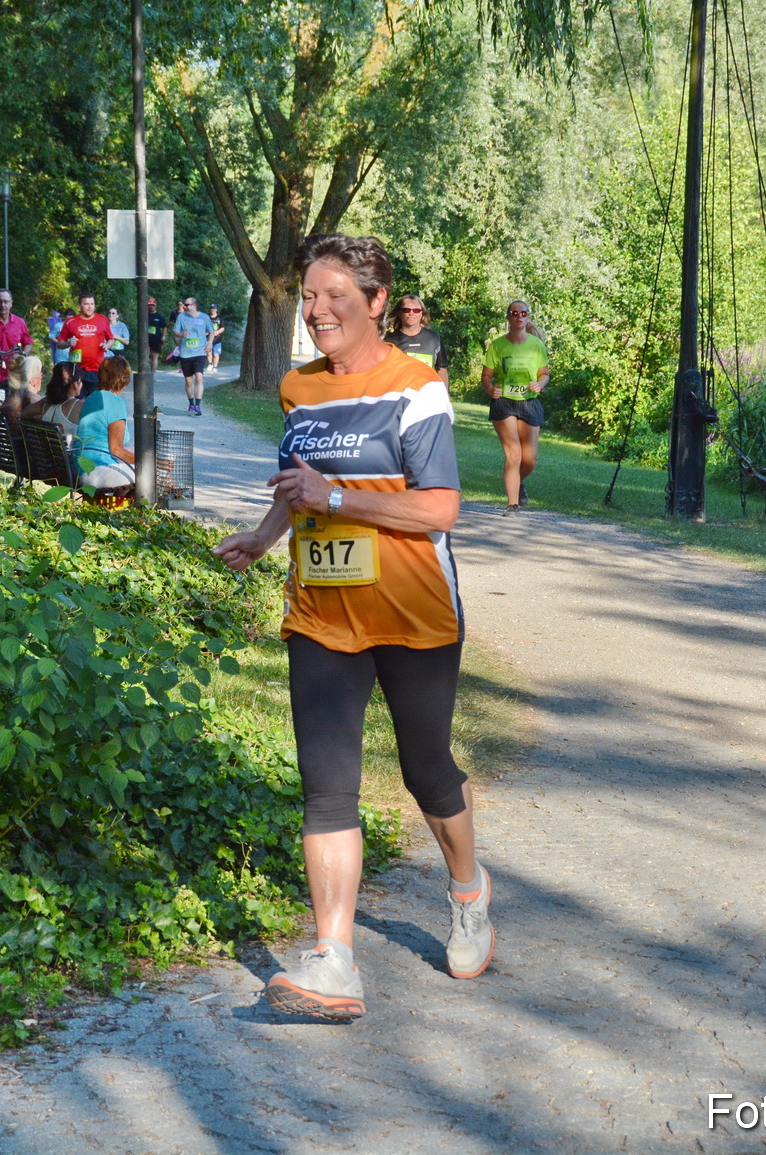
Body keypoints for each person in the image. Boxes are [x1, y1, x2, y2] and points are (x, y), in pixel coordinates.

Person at [212, 234, 490, 1022]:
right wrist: (265, 534)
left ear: (376, 302)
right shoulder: (298, 389)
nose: (316, 309)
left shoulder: (416, 388)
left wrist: (336, 499)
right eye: (308, 295)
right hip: (322, 613)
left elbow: (439, 508)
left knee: (426, 769)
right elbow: (298, 485)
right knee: (327, 787)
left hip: (413, 614)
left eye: (334, 295)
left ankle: (468, 891)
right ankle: (334, 959)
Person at [480, 300, 549, 515]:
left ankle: (517, 483)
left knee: (530, 460)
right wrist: (490, 389)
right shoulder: (497, 346)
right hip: (504, 402)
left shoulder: (536, 345)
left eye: (523, 313)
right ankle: (512, 504)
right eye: (514, 313)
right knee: (513, 454)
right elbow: (486, 376)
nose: (519, 316)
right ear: (508, 317)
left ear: (528, 317)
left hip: (529, 402)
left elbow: (544, 374)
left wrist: (540, 384)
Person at [74, 356, 136, 491]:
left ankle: (121, 503)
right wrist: (149, 463)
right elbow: (116, 451)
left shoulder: (91, 398)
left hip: (82, 468)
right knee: (152, 471)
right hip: (98, 469)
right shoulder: (115, 402)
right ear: (124, 380)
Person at [383, 294, 449, 385]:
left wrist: (444, 393)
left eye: (416, 310)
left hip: (427, 391)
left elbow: (442, 370)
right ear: (399, 313)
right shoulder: (388, 341)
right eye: (406, 310)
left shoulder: (434, 338)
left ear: (422, 314)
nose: (411, 313)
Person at [54, 294, 114, 390]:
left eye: (92, 304)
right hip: (77, 369)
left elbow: (111, 339)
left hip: (97, 369)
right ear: (79, 306)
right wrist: (68, 343)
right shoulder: (70, 321)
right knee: (77, 398)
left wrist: (107, 346)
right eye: (86, 304)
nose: (90, 307)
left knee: (95, 398)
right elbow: (59, 344)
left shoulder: (102, 319)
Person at [21, 362, 83, 441]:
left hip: (45, 448)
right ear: (75, 384)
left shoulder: (45, 403)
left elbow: (24, 414)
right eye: (80, 381)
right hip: (70, 449)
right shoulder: (79, 406)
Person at [174, 297, 213, 417]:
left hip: (200, 352)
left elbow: (211, 331)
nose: (185, 306)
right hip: (186, 353)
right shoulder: (181, 317)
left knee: (199, 378)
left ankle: (198, 405)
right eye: (184, 304)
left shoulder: (204, 317)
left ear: (194, 305)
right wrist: (182, 334)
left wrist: (210, 343)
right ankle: (191, 403)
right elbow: (175, 332)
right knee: (188, 381)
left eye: (187, 305)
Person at [0, 355, 44, 420]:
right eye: (40, 374)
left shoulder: (11, 399)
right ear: (32, 381)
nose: (41, 378)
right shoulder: (36, 402)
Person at [146, 297, 166, 372]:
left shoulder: (159, 316)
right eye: (149, 305)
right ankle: (145, 372)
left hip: (156, 339)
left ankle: (153, 374)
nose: (151, 306)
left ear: (155, 305)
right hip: (146, 339)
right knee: (146, 355)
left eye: (152, 305)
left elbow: (164, 327)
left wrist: (163, 336)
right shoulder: (145, 315)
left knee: (154, 356)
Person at [207, 304, 226, 371]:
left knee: (216, 354)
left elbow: (223, 328)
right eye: (211, 308)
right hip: (208, 338)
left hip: (217, 339)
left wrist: (217, 332)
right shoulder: (207, 317)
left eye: (214, 308)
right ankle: (210, 364)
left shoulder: (219, 318)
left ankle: (215, 367)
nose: (212, 310)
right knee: (208, 352)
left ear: (216, 309)